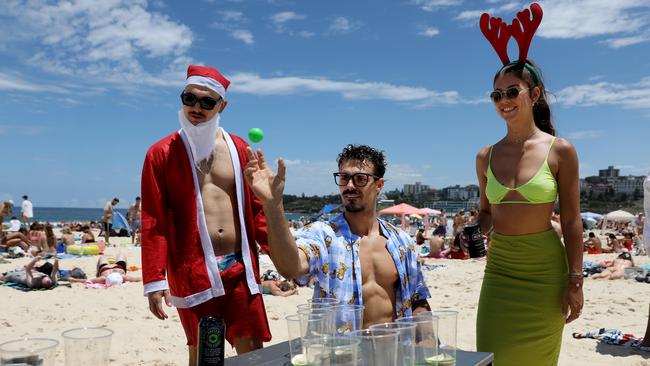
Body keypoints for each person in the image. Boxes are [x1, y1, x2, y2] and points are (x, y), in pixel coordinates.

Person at [475, 4, 583, 365]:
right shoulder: (484, 156)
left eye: (512, 91)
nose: (503, 101)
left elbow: (571, 221)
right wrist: (476, 229)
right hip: (500, 271)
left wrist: (576, 281)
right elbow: (486, 212)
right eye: (497, 95)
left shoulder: (560, 151)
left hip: (545, 273)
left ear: (534, 95)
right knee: (492, 357)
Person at [141, 64, 271, 363]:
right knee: (203, 353)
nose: (196, 107)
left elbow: (257, 210)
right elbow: (153, 220)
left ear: (222, 105)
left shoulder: (239, 149)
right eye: (189, 98)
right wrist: (154, 281)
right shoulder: (161, 153)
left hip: (241, 269)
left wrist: (283, 259)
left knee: (251, 351)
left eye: (207, 102)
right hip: (192, 269)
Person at [244, 143, 431, 326]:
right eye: (344, 178)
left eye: (360, 179)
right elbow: (290, 268)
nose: (349, 186)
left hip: (392, 350)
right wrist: (273, 205)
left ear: (379, 184)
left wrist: (429, 342)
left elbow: (418, 300)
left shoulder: (402, 241)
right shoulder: (324, 235)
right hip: (342, 352)